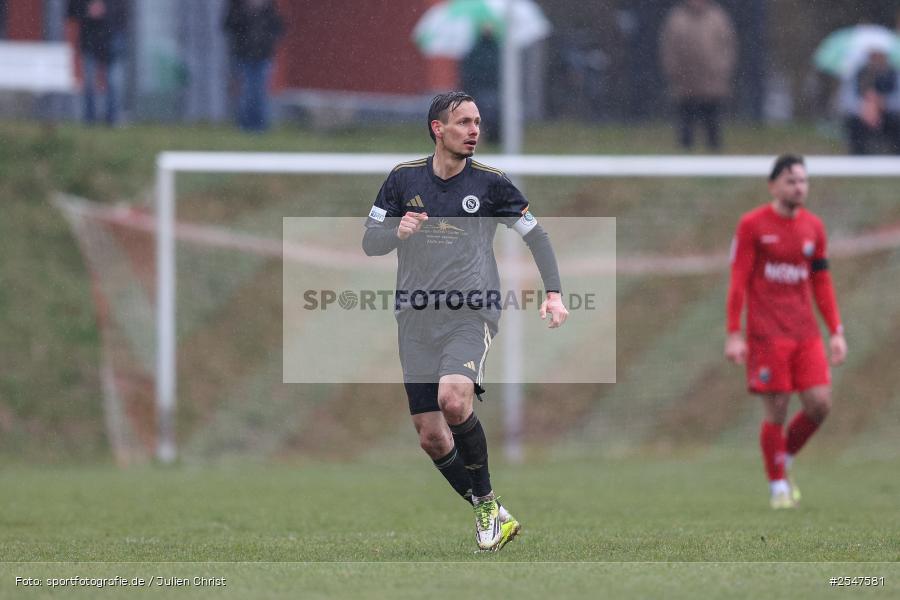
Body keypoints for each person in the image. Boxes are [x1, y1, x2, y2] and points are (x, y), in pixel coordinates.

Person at [362, 92, 568, 551]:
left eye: (478, 122)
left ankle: (488, 502)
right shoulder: (402, 179)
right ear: (438, 128)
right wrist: (396, 231)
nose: (475, 130)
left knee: (453, 401)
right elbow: (369, 241)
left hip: (470, 312)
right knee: (432, 436)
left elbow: (536, 234)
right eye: (464, 122)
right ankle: (487, 511)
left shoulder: (492, 184)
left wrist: (553, 292)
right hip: (414, 317)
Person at [725, 154, 847, 509]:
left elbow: (821, 281)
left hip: (805, 333)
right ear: (774, 185)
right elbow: (738, 280)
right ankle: (778, 487)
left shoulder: (814, 228)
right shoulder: (752, 225)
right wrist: (734, 332)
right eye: (792, 180)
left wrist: (835, 330)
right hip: (766, 334)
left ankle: (785, 457)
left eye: (803, 181)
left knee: (820, 404)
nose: (799, 187)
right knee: (776, 408)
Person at [659, 0, 737, 151]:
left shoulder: (718, 18)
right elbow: (669, 48)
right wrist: (674, 71)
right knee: (686, 122)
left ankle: (715, 156)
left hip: (712, 82)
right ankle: (685, 155)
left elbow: (728, 46)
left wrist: (721, 68)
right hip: (685, 82)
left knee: (712, 122)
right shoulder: (677, 19)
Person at [223, 0, 284, 132]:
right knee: (246, 92)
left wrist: (268, 43)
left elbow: (279, 29)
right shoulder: (237, 9)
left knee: (260, 91)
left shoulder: (269, 11)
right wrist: (246, 12)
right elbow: (228, 27)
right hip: (242, 56)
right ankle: (245, 125)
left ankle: (260, 125)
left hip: (263, 56)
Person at [67, 0, 128, 125]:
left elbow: (124, 12)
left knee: (113, 82)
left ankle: (112, 118)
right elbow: (71, 11)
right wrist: (87, 10)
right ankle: (90, 118)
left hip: (111, 39)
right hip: (89, 39)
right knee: (89, 82)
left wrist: (105, 11)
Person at [844, 50, 900, 155]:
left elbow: (897, 100)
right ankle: (858, 157)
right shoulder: (858, 74)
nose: (876, 59)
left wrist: (883, 103)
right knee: (853, 124)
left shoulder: (894, 74)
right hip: (862, 115)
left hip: (889, 115)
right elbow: (847, 101)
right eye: (873, 56)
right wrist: (864, 108)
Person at [460, 25, 501, 144]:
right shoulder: (482, 50)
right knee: (483, 114)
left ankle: (492, 138)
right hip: (482, 88)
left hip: (488, 87)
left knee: (488, 114)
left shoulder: (493, 49)